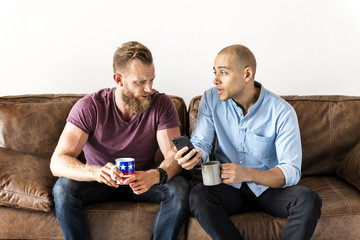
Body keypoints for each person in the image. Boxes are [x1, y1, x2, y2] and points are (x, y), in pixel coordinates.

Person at [175, 44, 322, 240]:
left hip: (269, 189)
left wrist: (247, 174)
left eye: (223, 73)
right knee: (199, 195)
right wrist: (195, 156)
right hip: (228, 189)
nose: (215, 80)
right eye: (215, 72)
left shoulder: (282, 112)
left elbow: (291, 171)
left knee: (308, 200)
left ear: (247, 74)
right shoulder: (210, 99)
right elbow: (201, 142)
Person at [50, 41, 189, 240]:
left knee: (180, 187)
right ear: (118, 79)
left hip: (142, 181)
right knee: (63, 188)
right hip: (99, 181)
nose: (149, 89)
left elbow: (173, 156)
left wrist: (155, 175)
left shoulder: (161, 104)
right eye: (140, 82)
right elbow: (58, 162)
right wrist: (96, 172)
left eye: (152, 80)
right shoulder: (90, 107)